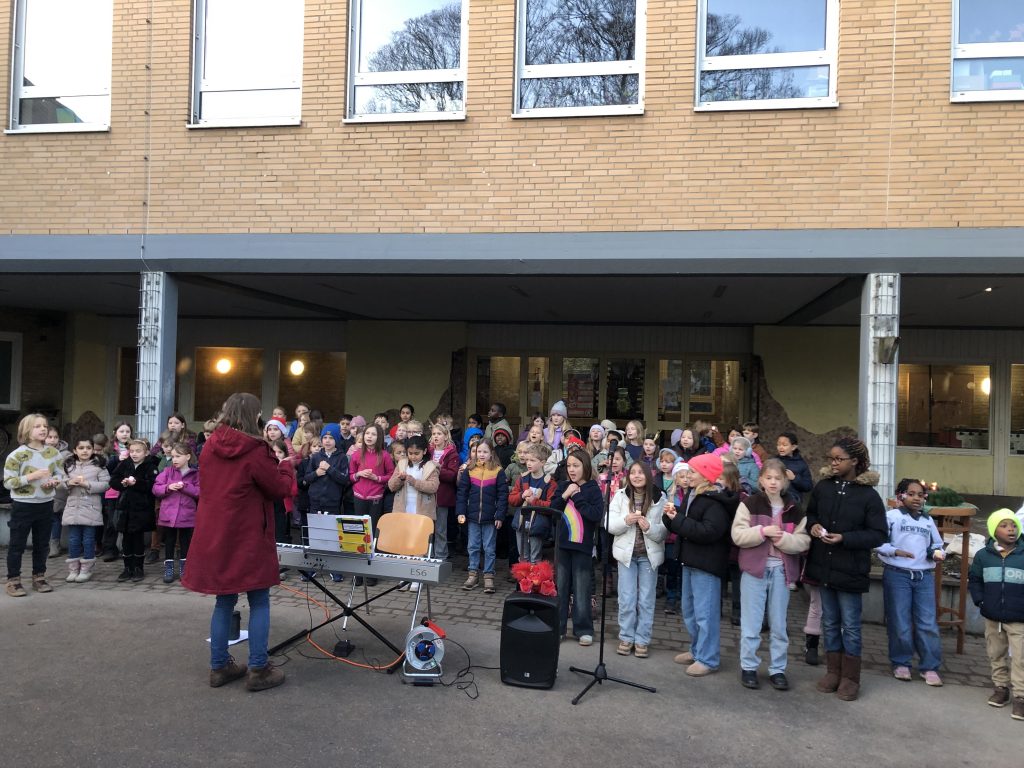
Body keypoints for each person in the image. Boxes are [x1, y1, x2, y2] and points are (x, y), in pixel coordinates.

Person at [182, 393, 294, 692]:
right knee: (259, 599)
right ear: (254, 416)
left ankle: (219, 666)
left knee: (224, 600)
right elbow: (277, 488)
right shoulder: (256, 450)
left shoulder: (209, 446)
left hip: (217, 533)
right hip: (248, 535)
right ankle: (259, 668)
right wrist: (285, 466)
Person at [805, 436, 887, 702]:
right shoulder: (823, 487)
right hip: (824, 566)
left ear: (855, 461)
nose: (833, 463)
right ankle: (833, 671)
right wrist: (813, 526)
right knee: (830, 621)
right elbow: (811, 514)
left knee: (850, 625)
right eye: (831, 458)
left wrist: (845, 538)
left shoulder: (868, 496)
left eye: (839, 459)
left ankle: (851, 678)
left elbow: (878, 534)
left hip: (850, 569)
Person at [731, 459, 810, 691]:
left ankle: (778, 669)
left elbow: (804, 541)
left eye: (778, 478)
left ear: (785, 481)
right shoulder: (750, 503)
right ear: (761, 480)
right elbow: (738, 535)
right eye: (769, 478)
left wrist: (784, 539)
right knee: (751, 622)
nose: (773, 482)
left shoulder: (795, 508)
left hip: (781, 571)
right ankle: (749, 666)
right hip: (754, 570)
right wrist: (762, 531)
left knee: (779, 623)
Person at [663, 453, 738, 677]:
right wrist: (670, 517)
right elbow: (684, 525)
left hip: (706, 564)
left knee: (706, 614)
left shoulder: (715, 502)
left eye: (693, 472)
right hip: (689, 560)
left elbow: (708, 532)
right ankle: (697, 650)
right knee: (690, 611)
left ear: (706, 475)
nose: (688, 476)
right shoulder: (694, 494)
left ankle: (708, 658)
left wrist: (678, 520)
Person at [876, 478, 946, 686]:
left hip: (924, 576)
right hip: (898, 574)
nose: (917, 498)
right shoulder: (892, 517)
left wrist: (937, 553)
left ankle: (930, 666)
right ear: (901, 496)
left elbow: (937, 544)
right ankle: (901, 662)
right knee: (900, 621)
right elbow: (878, 542)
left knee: (927, 622)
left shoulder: (927, 520)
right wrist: (894, 551)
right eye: (911, 494)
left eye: (921, 495)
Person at [608, 462, 667, 659]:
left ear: (648, 475)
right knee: (626, 598)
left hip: (649, 556)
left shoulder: (659, 497)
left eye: (640, 472)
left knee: (646, 599)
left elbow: (664, 531)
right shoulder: (620, 495)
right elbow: (609, 524)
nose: (636, 476)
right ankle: (626, 637)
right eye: (632, 472)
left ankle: (642, 639)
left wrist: (649, 527)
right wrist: (625, 521)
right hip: (626, 556)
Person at [969, 509, 1024, 719]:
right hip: (992, 616)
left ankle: (1020, 697)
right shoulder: (983, 556)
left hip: (1019, 617)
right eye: (1004, 525)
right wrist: (980, 601)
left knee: (1020, 658)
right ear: (993, 530)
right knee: (996, 653)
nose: (1011, 529)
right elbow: (975, 580)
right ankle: (1001, 688)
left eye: (1014, 525)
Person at [4, 414, 64, 596]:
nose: (43, 429)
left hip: (45, 504)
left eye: (45, 425)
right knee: (17, 544)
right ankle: (13, 580)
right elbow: (8, 482)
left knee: (42, 544)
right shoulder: (16, 455)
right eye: (37, 426)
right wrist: (32, 476)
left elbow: (60, 475)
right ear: (26, 431)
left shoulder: (54, 453)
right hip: (23, 505)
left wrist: (54, 482)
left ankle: (39, 577)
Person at [550, 449, 603, 645]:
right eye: (569, 466)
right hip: (563, 546)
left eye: (576, 466)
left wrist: (578, 497)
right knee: (561, 587)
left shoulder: (593, 489)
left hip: (583, 547)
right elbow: (552, 511)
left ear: (585, 467)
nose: (572, 470)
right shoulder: (563, 486)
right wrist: (565, 495)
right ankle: (559, 627)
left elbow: (595, 515)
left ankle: (583, 629)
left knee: (582, 589)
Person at [388, 435, 440, 591]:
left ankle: (417, 577)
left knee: (419, 545)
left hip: (421, 512)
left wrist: (413, 481)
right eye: (410, 453)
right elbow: (391, 486)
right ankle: (405, 577)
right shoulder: (402, 464)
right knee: (403, 545)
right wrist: (400, 479)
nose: (413, 456)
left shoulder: (430, 466)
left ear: (424, 451)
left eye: (416, 453)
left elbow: (433, 487)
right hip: (403, 510)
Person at [456, 438, 508, 594]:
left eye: (485, 451)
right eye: (479, 451)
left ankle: (488, 576)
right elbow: (462, 493)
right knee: (472, 546)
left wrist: (500, 515)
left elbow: (503, 495)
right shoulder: (469, 470)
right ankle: (472, 575)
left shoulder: (498, 471)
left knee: (489, 548)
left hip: (490, 518)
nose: (482, 454)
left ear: (492, 453)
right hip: (472, 517)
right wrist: (461, 512)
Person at [109, 438, 160, 583]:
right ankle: (127, 568)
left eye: (138, 451)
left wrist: (136, 483)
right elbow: (113, 480)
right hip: (125, 508)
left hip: (141, 509)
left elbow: (152, 485)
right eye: (132, 451)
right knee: (126, 539)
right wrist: (123, 483)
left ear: (146, 453)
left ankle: (138, 567)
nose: (134, 454)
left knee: (138, 539)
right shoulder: (125, 464)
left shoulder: (151, 466)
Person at [60, 437, 110, 584]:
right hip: (73, 509)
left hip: (90, 508)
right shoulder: (69, 465)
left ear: (93, 450)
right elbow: (61, 482)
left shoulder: (99, 466)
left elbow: (106, 484)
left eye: (88, 448)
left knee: (88, 540)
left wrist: (87, 484)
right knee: (73, 539)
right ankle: (73, 569)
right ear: (75, 450)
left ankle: (86, 568)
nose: (85, 451)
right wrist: (69, 482)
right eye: (81, 448)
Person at [153, 442, 201, 584]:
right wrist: (168, 487)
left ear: (188, 457)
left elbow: (199, 492)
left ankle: (184, 568)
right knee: (169, 541)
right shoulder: (167, 472)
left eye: (178, 456)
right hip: (168, 514)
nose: (174, 459)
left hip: (187, 514)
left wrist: (185, 486)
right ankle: (168, 568)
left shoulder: (195, 474)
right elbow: (156, 488)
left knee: (185, 542)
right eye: (173, 456)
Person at [508, 442, 557, 565]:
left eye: (533, 460)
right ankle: (522, 577)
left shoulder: (550, 483)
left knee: (535, 558)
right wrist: (522, 495)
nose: (528, 463)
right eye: (527, 460)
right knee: (522, 557)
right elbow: (512, 499)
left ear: (543, 462)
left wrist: (534, 501)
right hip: (521, 522)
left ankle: (535, 577)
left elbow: (551, 506)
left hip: (537, 525)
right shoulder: (522, 478)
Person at [348, 423, 394, 532]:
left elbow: (391, 475)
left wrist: (376, 478)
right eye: (367, 433)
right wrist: (359, 474)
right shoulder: (356, 454)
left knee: (372, 528)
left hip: (376, 497)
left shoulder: (385, 455)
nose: (369, 436)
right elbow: (350, 476)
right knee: (360, 529)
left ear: (379, 437)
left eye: (373, 434)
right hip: (358, 496)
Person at [101, 421, 133, 561]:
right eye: (121, 431)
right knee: (111, 522)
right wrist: (116, 459)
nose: (125, 434)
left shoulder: (134, 447)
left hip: (129, 490)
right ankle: (109, 549)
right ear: (115, 433)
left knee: (128, 520)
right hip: (113, 491)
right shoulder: (108, 450)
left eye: (127, 431)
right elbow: (104, 468)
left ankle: (127, 548)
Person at [429, 422, 459, 562]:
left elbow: (452, 475)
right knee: (427, 527)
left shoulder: (452, 453)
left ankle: (440, 555)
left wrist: (437, 469)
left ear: (446, 436)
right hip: (427, 495)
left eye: (439, 434)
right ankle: (428, 553)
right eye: (434, 434)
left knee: (440, 528)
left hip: (442, 496)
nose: (436, 436)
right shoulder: (428, 451)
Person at [45, 426, 70, 559]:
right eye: (49, 437)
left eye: (55, 437)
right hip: (43, 490)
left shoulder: (66, 454)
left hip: (60, 491)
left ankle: (55, 544)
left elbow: (69, 471)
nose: (52, 440)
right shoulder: (38, 452)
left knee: (55, 517)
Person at [775, 432, 812, 505]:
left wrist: (794, 478)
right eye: (778, 444)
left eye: (784, 445)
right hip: (774, 499)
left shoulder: (801, 464)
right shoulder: (773, 461)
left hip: (793, 502)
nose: (780, 447)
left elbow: (808, 486)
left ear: (793, 447)